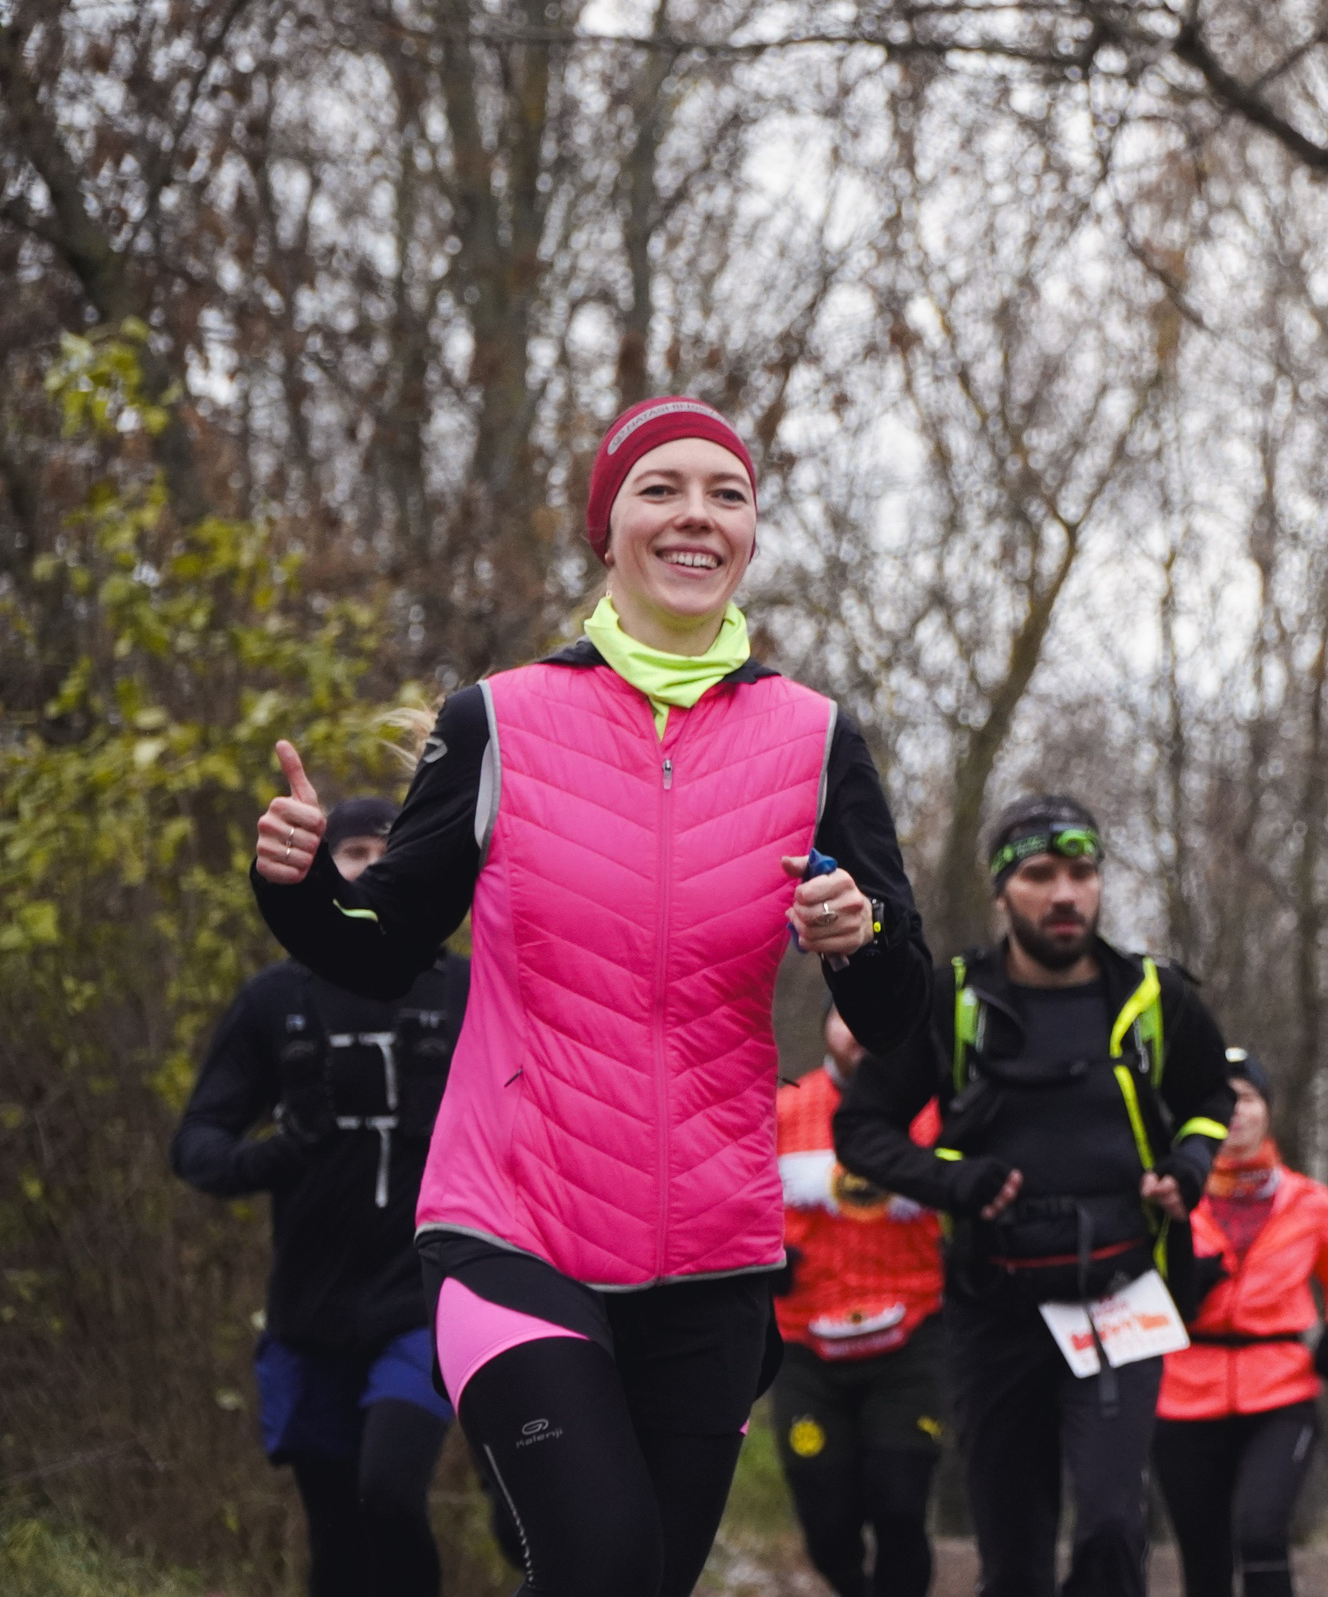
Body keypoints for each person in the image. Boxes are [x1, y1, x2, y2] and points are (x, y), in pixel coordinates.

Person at [249, 395, 931, 1597]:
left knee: (640, 1579)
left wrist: (858, 937)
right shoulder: (501, 721)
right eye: (660, 489)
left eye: (726, 495)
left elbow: (894, 1017)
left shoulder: (816, 741)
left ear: (752, 537)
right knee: (603, 1562)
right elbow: (377, 950)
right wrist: (299, 888)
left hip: (714, 1250)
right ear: (606, 529)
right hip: (515, 1225)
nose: (695, 517)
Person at [835, 794, 1235, 1597]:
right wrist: (953, 1179)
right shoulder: (951, 1000)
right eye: (1041, 874)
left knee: (1114, 1527)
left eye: (1082, 873)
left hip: (1120, 1294)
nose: (1065, 893)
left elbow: (1210, 1098)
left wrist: (1189, 1165)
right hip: (994, 1309)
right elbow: (862, 1128)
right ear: (1001, 892)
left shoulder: (1154, 997)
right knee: (1014, 1562)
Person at [174, 798, 468, 1597]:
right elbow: (195, 1143)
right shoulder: (276, 999)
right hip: (309, 1307)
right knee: (336, 1534)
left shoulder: (467, 990)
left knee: (391, 1491)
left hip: (423, 1300)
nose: (371, 864)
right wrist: (279, 1154)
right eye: (352, 850)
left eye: (387, 850)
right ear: (321, 866)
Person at [1155, 1048, 1328, 1597]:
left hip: (1280, 1390)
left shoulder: (1315, 1204)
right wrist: (1176, 1283)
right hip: (1182, 1392)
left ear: (1266, 1110)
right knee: (1204, 1560)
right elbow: (1127, 1279)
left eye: (1246, 1098)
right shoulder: (1171, 1200)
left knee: (1261, 1533)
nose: (1235, 1112)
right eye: (1222, 1100)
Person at [770, 1008, 949, 1597]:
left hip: (911, 1337)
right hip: (805, 1343)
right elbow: (733, 1200)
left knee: (899, 1504)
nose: (859, 1032)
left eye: (868, 1019)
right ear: (824, 1029)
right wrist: (763, 1261)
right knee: (825, 1513)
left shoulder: (933, 1114)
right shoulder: (783, 1110)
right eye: (845, 1019)